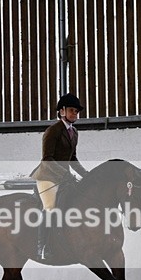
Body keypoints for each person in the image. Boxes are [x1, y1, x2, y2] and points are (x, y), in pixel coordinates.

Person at [30, 93, 90, 259]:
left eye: (76, 111)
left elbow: (72, 159)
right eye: (71, 110)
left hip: (64, 177)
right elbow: (47, 158)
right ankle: (42, 247)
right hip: (47, 176)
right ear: (62, 111)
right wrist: (65, 174)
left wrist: (87, 175)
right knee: (50, 208)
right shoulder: (53, 131)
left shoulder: (74, 132)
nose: (75, 114)